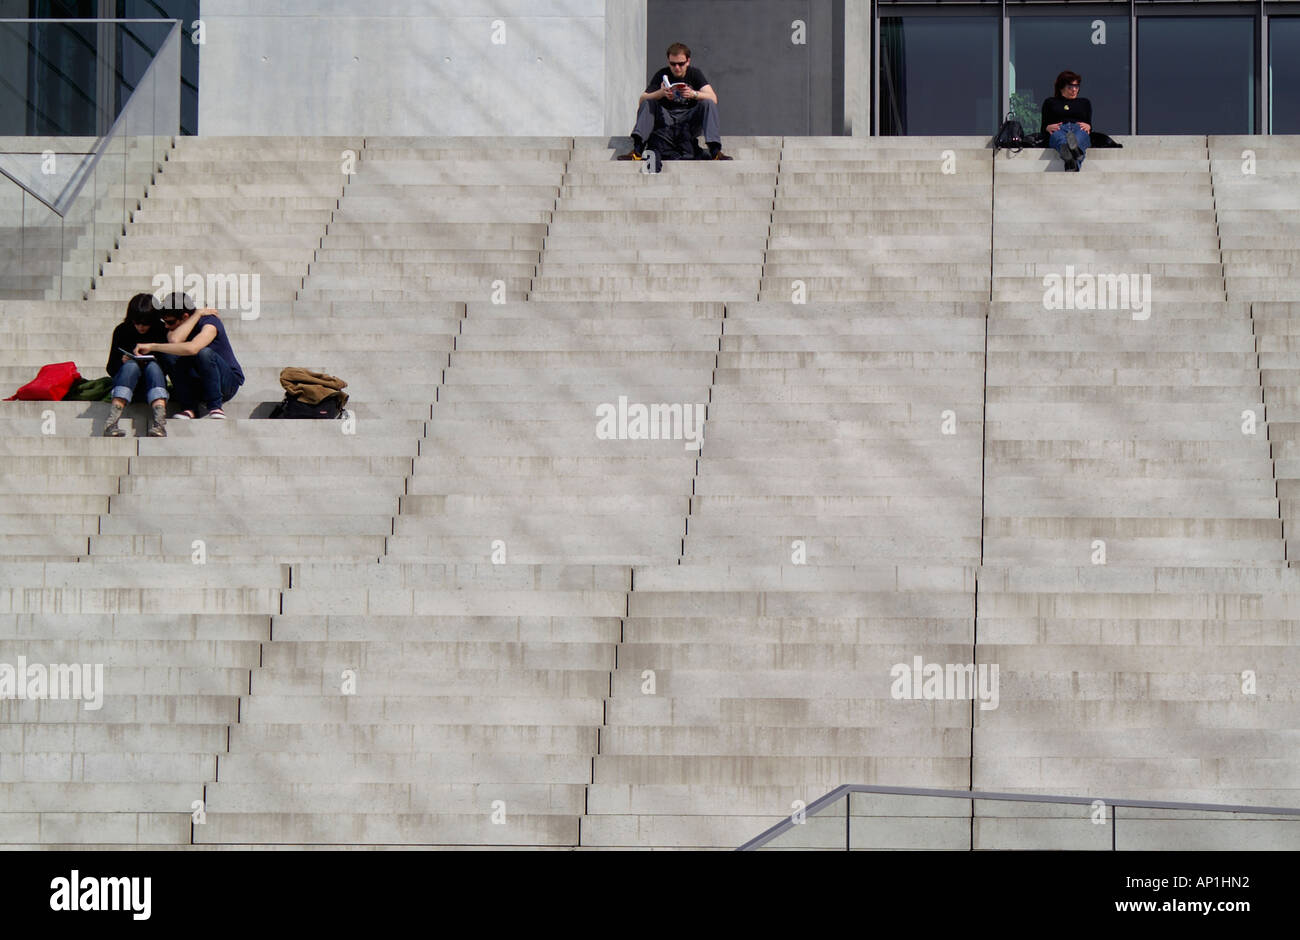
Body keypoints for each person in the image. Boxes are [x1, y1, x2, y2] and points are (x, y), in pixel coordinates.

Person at [617, 42, 733, 162]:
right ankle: (637, 151)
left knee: (708, 103)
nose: (677, 67)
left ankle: (715, 152)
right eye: (673, 64)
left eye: (681, 64)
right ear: (668, 62)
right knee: (648, 102)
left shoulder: (695, 74)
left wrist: (694, 94)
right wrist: (661, 93)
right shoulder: (662, 74)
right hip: (666, 119)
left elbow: (713, 98)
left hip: (688, 120)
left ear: (688, 61)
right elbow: (642, 99)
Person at [137, 293, 244, 420]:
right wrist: (196, 314)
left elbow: (193, 348)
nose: (166, 326)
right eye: (164, 322)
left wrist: (152, 346)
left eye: (170, 322)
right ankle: (189, 408)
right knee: (169, 354)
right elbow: (174, 340)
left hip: (225, 384)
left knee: (204, 353)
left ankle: (215, 406)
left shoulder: (210, 322)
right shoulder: (179, 326)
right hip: (199, 381)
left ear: (185, 316)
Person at [103, 293, 170, 438]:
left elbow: (169, 365)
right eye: (137, 322)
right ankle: (111, 422)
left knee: (152, 366)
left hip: (153, 384)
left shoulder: (161, 330)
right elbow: (110, 368)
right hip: (126, 383)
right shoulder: (122, 331)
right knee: (131, 366)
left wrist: (152, 357)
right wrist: (122, 361)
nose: (141, 327)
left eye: (145, 323)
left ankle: (159, 422)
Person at [1041, 71, 1091, 171]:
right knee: (1060, 139)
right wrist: (1047, 127)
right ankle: (1073, 156)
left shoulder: (1084, 102)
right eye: (1070, 87)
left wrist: (1088, 126)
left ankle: (1070, 158)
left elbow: (1089, 124)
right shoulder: (1050, 102)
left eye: (1076, 86)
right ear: (1061, 88)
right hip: (1059, 129)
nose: (1074, 90)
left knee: (1078, 138)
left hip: (1078, 129)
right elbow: (1043, 126)